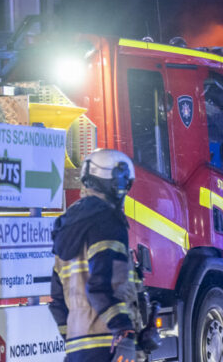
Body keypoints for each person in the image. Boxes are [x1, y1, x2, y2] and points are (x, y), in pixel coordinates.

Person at [49, 149, 142, 362]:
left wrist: (71, 336)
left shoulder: (69, 226)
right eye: (124, 184)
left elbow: (56, 300)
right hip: (109, 344)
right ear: (114, 182)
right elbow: (100, 287)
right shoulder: (108, 223)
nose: (125, 191)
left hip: (78, 348)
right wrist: (125, 331)